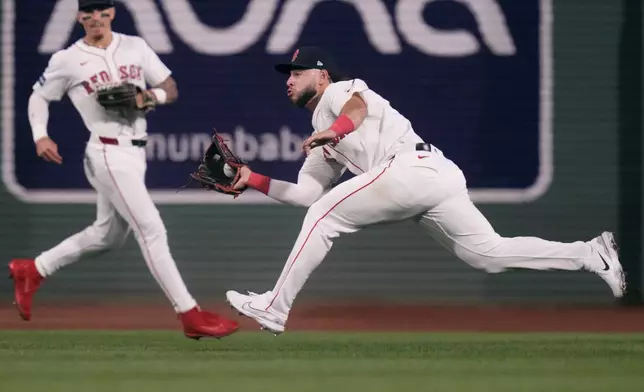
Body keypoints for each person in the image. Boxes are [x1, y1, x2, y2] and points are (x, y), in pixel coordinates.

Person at [225, 46, 626, 334]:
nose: (289, 80)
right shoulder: (322, 134)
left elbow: (357, 111)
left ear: (323, 75)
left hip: (412, 168)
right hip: (434, 174)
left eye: (297, 72)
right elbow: (306, 194)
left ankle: (274, 307)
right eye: (288, 75)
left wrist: (333, 131)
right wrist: (253, 179)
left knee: (325, 218)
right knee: (488, 255)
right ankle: (589, 253)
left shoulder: (340, 92)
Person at [9, 0, 239, 340]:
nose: (95, 18)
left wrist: (146, 99)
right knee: (152, 229)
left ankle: (33, 269)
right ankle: (189, 313)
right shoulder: (68, 59)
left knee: (108, 235)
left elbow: (170, 87)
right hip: (106, 151)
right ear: (79, 17)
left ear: (112, 13)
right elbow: (38, 97)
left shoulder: (135, 46)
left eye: (102, 10)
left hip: (134, 153)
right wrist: (41, 136)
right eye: (87, 12)